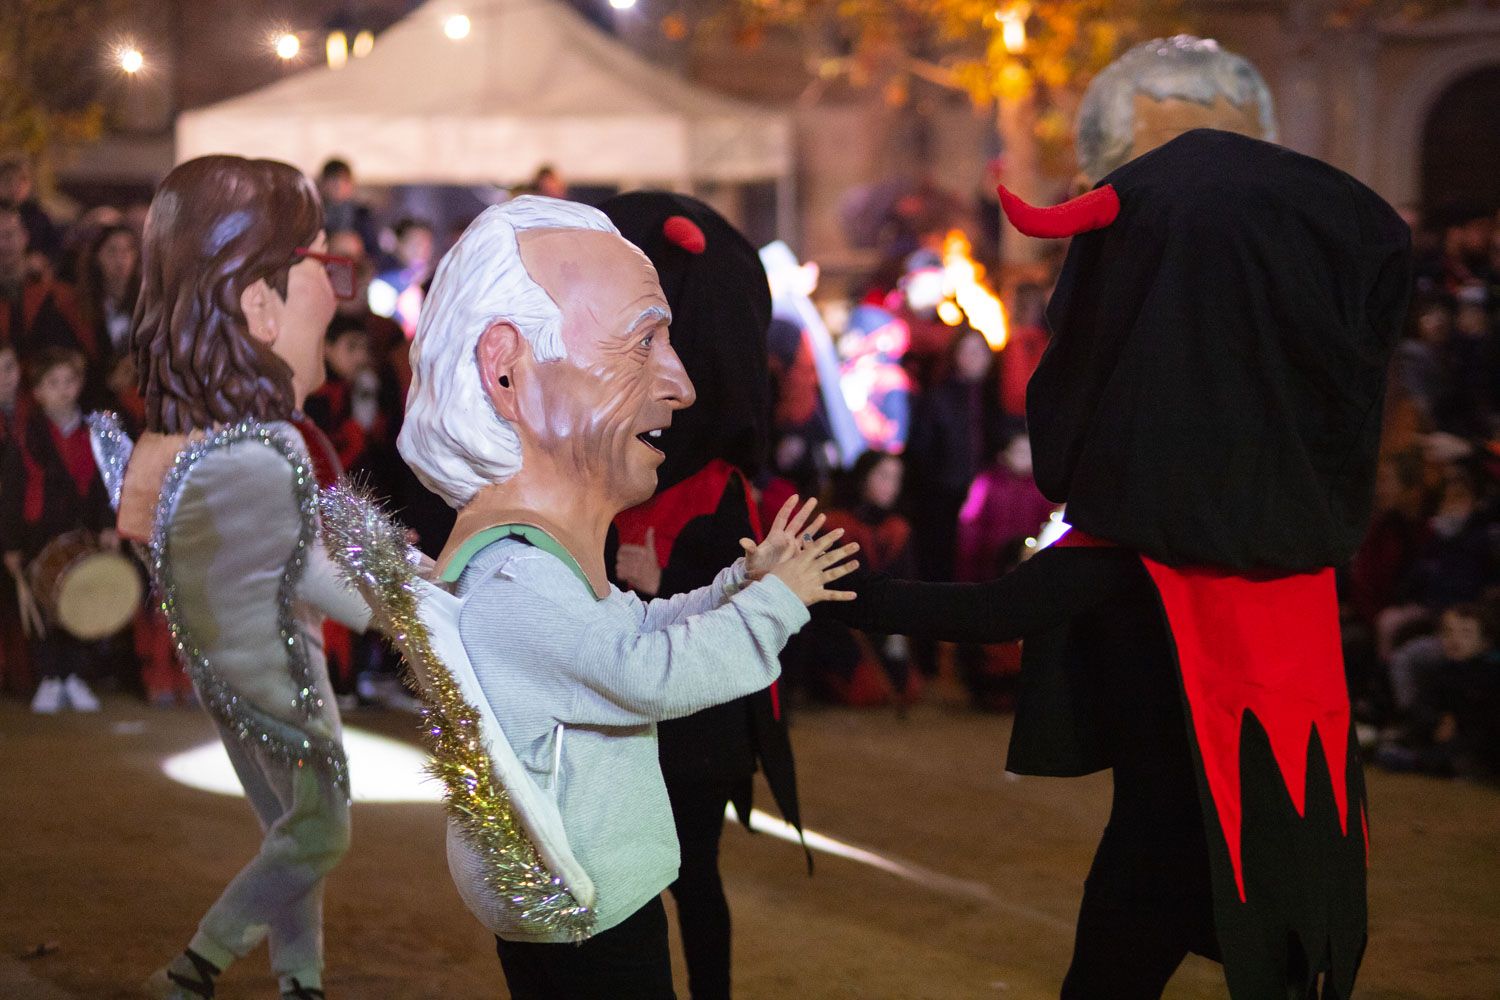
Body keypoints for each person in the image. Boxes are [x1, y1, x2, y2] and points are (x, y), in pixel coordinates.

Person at [822, 131, 1412, 999]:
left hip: (1163, 854)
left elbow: (996, 612)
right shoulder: (1293, 536)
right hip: (1285, 839)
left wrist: (829, 590)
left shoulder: (1144, 543)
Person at [394, 195, 857, 999]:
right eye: (643, 342)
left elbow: (627, 626)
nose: (680, 383)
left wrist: (734, 587)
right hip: (589, 905)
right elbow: (648, 672)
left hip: (577, 894)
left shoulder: (523, 561)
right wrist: (775, 603)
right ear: (506, 368)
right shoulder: (516, 574)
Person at [102, 155, 372, 1000]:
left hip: (221, 671)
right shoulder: (265, 449)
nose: (338, 292)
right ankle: (196, 967)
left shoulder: (172, 444)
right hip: (280, 675)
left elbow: (170, 552)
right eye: (325, 267)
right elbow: (321, 579)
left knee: (290, 830)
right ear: (260, 305)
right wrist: (419, 598)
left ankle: (301, 979)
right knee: (322, 831)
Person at [601, 192, 810, 1000]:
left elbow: (729, 593)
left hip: (693, 721)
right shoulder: (624, 482)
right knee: (657, 879)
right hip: (642, 714)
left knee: (689, 875)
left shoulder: (716, 492)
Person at [0, 347, 114, 713]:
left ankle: (74, 676)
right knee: (44, 607)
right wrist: (12, 544)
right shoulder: (26, 436)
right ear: (38, 392)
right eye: (53, 383)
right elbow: (12, 492)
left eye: (69, 381)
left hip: (79, 531)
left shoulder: (93, 432)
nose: (63, 390)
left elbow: (102, 486)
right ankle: (50, 677)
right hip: (38, 532)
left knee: (78, 604)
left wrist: (108, 526)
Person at [316, 159, 379, 257]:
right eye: (333, 181)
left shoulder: (362, 215)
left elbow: (373, 251)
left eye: (344, 181)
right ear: (323, 183)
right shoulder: (314, 215)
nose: (338, 187)